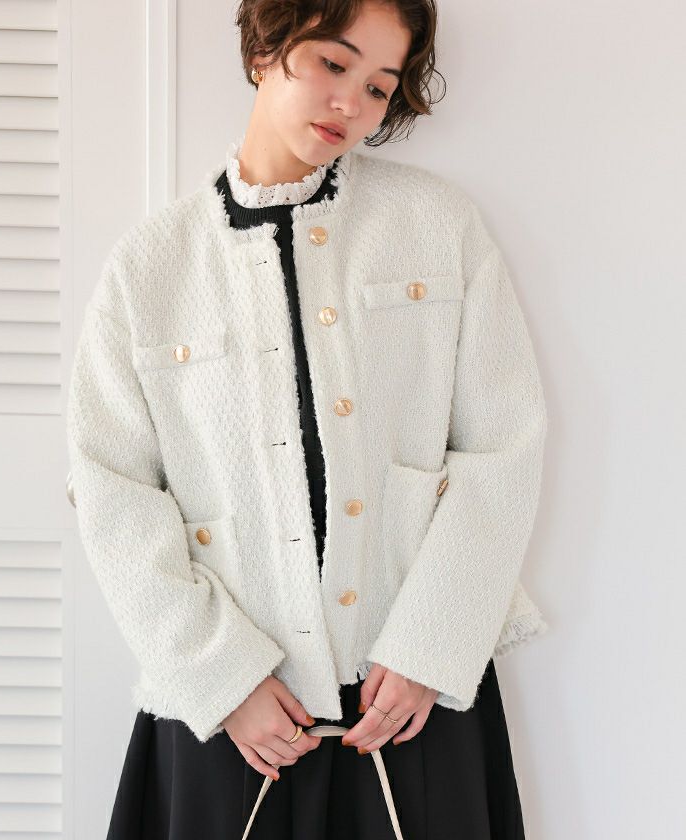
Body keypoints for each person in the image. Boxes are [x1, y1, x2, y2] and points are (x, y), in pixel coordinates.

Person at [66, 1, 549, 837]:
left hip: (410, 705)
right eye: (333, 62)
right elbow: (110, 490)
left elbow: (504, 444)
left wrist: (429, 649)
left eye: (379, 87)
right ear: (265, 48)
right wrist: (222, 678)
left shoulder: (438, 226)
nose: (351, 103)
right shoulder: (150, 268)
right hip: (232, 718)